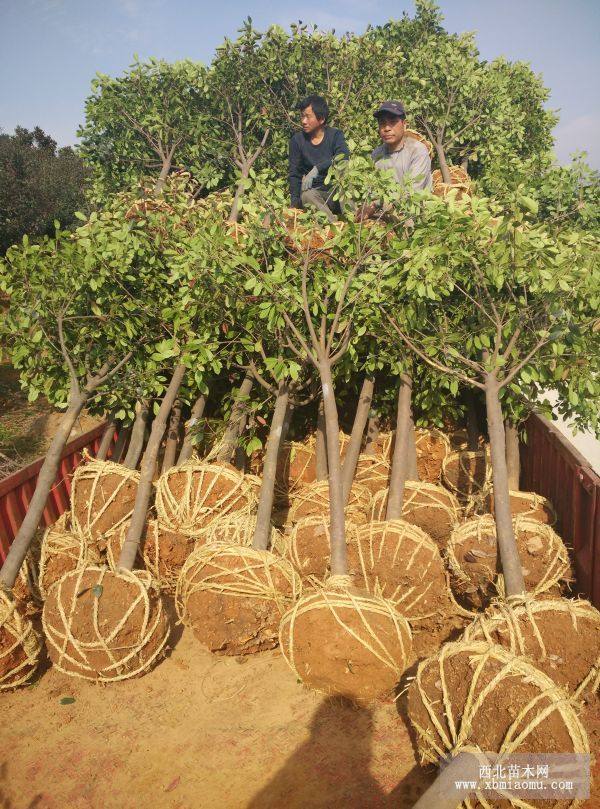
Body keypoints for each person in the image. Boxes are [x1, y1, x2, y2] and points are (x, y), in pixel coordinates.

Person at [288, 94, 350, 223]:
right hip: (316, 198)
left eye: (308, 116)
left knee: (343, 166)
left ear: (321, 119)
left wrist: (318, 168)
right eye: (302, 116)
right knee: (306, 194)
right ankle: (333, 226)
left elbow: (343, 156)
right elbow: (294, 174)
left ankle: (352, 217)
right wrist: (294, 204)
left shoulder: (335, 135)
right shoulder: (297, 141)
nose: (303, 121)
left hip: (338, 194)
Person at [371, 100, 432, 192]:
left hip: (415, 205)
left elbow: (412, 193)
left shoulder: (417, 151)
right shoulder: (377, 154)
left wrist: (377, 204)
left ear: (404, 125)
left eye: (393, 122)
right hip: (383, 205)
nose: (387, 128)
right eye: (382, 123)